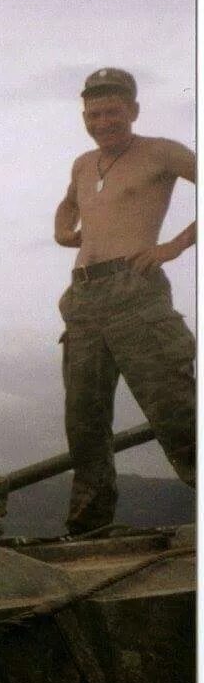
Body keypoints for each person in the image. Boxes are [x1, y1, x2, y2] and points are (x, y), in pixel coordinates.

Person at [53, 68, 196, 535]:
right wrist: (63, 230)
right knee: (85, 425)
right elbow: (68, 204)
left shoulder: (161, 151)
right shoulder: (83, 164)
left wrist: (172, 247)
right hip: (83, 299)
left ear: (133, 110)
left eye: (112, 112)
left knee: (176, 412)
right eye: (93, 114)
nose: (102, 122)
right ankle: (88, 531)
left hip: (135, 292)